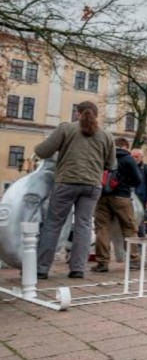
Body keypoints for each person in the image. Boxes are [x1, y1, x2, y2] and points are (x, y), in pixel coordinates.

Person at [33, 101, 115, 279]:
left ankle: (41, 269)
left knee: (53, 224)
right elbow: (111, 164)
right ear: (96, 115)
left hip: (66, 182)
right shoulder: (106, 136)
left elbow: (42, 152)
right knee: (84, 226)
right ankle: (77, 269)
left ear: (78, 113)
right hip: (92, 185)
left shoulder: (66, 129)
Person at [91, 137, 142, 273]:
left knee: (102, 229)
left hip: (102, 197)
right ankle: (134, 260)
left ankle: (102, 263)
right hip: (122, 197)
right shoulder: (128, 159)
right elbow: (138, 179)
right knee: (129, 227)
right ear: (126, 146)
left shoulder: (103, 156)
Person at [130, 148, 147, 236]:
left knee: (140, 221)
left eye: (136, 156)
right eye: (132, 156)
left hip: (141, 198)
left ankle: (141, 242)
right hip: (129, 197)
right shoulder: (128, 167)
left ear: (141, 157)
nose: (134, 158)